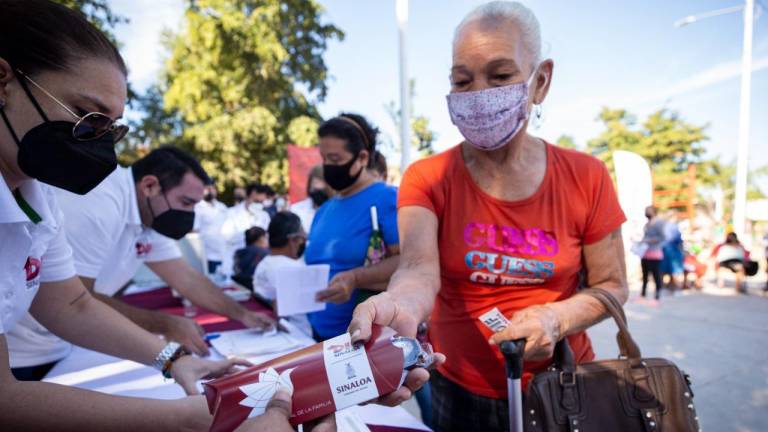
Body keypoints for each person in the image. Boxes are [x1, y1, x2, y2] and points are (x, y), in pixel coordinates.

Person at [346, 2, 628, 430]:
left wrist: (556, 318)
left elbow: (612, 286)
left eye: (500, 76)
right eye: (462, 80)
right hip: (458, 391)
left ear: (541, 81)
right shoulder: (428, 177)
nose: (479, 93)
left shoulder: (586, 176)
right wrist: (398, 305)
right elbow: (419, 269)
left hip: (563, 389)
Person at [0, 0, 251, 428]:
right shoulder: (90, 199)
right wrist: (188, 420)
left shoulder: (35, 194)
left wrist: (174, 360)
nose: (97, 144)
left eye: (110, 129)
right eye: (85, 115)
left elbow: (71, 303)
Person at [7, 146, 277, 376]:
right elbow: (76, 298)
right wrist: (164, 325)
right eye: (185, 202)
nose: (189, 214)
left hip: (61, 342)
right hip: (20, 350)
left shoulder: (149, 213)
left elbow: (187, 278)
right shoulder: (99, 203)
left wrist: (242, 314)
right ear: (149, 185)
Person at [304, 113, 401, 341]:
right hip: (318, 336)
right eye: (324, 158)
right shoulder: (325, 209)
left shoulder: (386, 199)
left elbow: (410, 263)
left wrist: (355, 277)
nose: (328, 166)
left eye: (336, 159)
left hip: (365, 342)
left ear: (362, 158)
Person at [253, 211, 312, 334]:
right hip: (300, 336)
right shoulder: (294, 269)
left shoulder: (263, 264)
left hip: (275, 333)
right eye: (302, 236)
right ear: (293, 240)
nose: (303, 241)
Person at [221, 182, 271, 275]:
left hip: (257, 263)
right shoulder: (231, 213)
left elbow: (267, 239)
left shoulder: (264, 216)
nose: (259, 205)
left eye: (261, 202)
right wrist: (250, 234)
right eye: (257, 201)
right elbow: (227, 236)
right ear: (250, 195)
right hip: (236, 262)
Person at [194, 180, 229, 274]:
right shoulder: (197, 207)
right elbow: (194, 232)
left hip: (224, 253)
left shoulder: (222, 207)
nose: (209, 190)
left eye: (212, 188)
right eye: (206, 188)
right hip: (207, 255)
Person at [291, 165, 332, 235]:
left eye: (324, 189)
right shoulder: (296, 210)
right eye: (315, 184)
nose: (319, 188)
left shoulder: (338, 211)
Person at [640, 206, 667, 302]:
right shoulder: (647, 224)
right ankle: (643, 294)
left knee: (656, 275)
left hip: (655, 253)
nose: (646, 212)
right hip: (645, 252)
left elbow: (663, 237)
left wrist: (650, 241)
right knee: (644, 275)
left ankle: (657, 295)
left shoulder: (659, 223)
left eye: (648, 211)